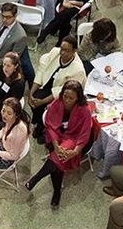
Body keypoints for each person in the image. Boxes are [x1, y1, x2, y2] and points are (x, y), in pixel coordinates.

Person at [25, 79, 92, 208]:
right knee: (58, 161)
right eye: (65, 96)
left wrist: (75, 151)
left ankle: (37, 178)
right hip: (57, 135)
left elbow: (84, 134)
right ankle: (56, 192)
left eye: (71, 98)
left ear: (78, 98)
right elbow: (50, 126)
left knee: (57, 158)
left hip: (73, 138)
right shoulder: (57, 103)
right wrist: (55, 145)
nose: (66, 100)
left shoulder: (84, 110)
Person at [28, 38, 86, 139]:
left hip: (63, 96)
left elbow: (62, 90)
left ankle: (43, 128)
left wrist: (43, 101)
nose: (62, 53)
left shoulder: (78, 70)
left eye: (67, 51)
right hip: (47, 85)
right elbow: (42, 70)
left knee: (45, 107)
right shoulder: (55, 52)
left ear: (74, 51)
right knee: (34, 100)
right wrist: (31, 92)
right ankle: (38, 121)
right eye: (61, 49)